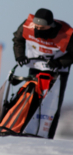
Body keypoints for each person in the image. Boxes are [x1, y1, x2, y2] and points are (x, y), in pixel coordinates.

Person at [12, 8, 73, 139]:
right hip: (36, 66)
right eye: (37, 26)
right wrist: (20, 56)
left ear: (50, 26)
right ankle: (25, 131)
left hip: (58, 71)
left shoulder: (66, 33)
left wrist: (59, 63)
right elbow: (18, 40)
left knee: (52, 105)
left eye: (42, 28)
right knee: (31, 99)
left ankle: (47, 136)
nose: (38, 29)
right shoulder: (27, 25)